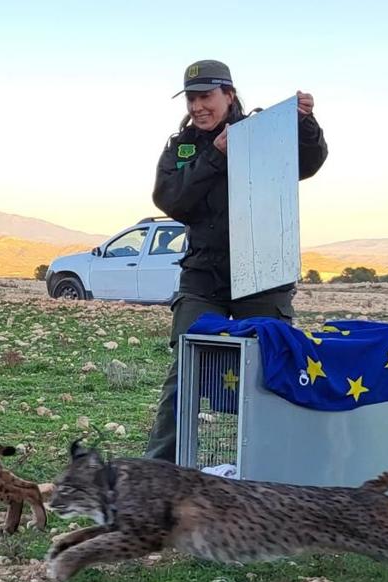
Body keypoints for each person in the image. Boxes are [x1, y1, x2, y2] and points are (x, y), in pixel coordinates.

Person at [144, 60, 328, 462]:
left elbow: (309, 162)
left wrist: (305, 122)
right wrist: (215, 156)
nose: (197, 106)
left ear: (229, 94)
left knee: (271, 369)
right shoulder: (182, 146)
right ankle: (157, 475)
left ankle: (274, 469)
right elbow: (170, 198)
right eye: (191, 98)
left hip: (263, 275)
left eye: (206, 96)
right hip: (202, 276)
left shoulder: (263, 132)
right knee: (184, 375)